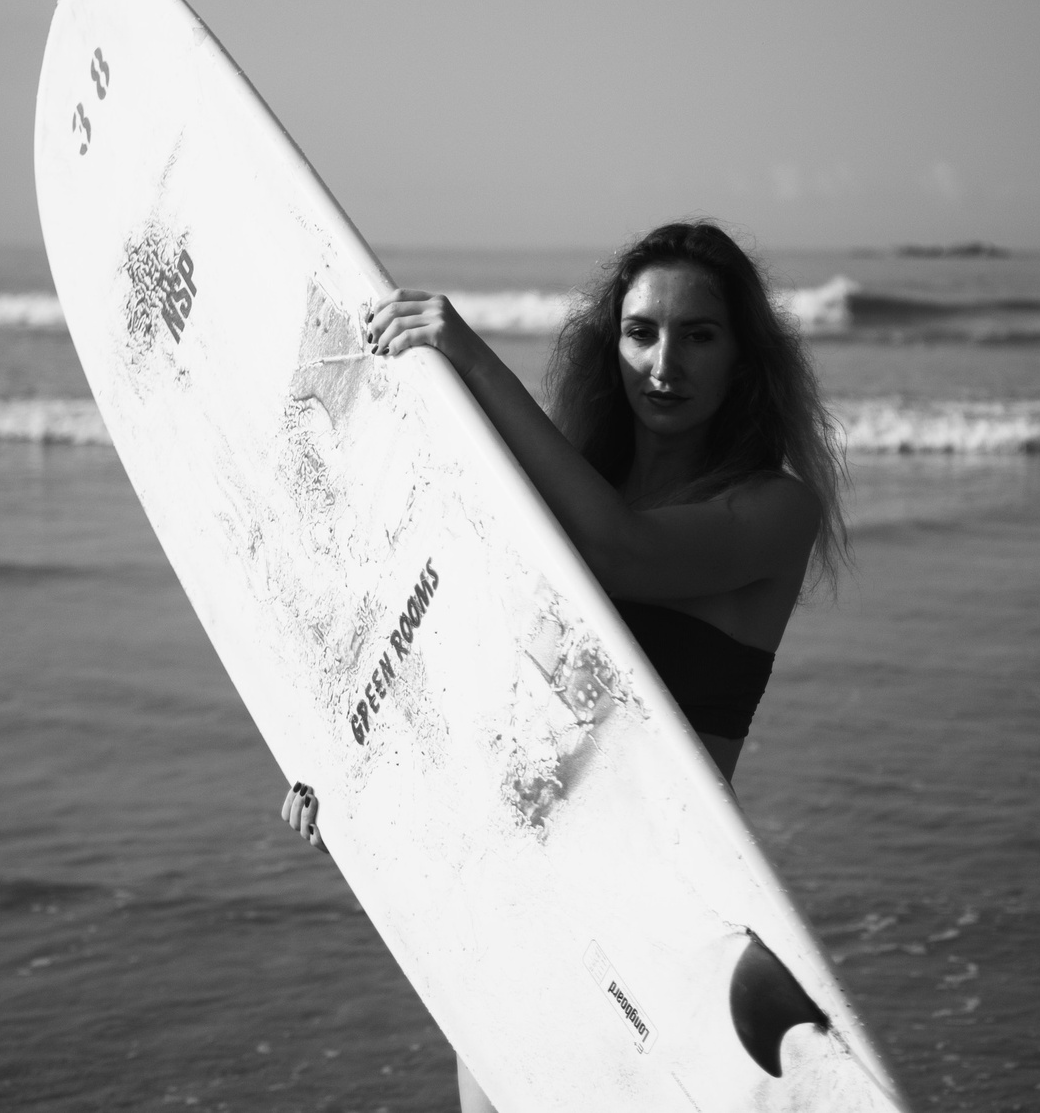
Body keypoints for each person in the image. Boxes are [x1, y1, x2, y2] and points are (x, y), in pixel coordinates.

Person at [277, 219, 847, 1113]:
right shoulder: (563, 502)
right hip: (517, 900)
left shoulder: (774, 507)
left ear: (745, 359)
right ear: (607, 343)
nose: (665, 363)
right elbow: (462, 687)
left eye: (700, 336)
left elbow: (627, 555)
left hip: (652, 919)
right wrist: (353, 792)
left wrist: (468, 357)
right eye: (641, 332)